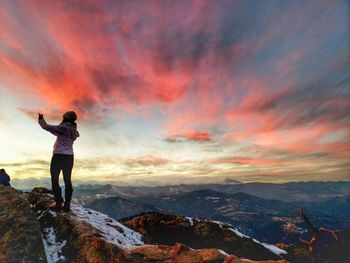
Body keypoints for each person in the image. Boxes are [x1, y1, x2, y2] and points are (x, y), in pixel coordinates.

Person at [38, 111, 80, 212]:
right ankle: (67, 206)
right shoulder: (73, 130)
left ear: (66, 118)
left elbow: (46, 127)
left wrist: (41, 118)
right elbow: (55, 132)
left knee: (55, 179)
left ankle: (58, 204)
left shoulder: (64, 128)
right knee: (67, 180)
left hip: (58, 156)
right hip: (69, 157)